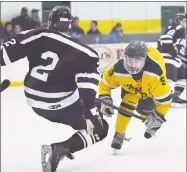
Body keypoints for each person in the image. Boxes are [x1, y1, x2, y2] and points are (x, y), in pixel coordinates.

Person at [0, 6, 108, 172]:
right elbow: (87, 87)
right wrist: (91, 109)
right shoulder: (86, 52)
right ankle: (63, 148)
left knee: (84, 106)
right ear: (70, 26)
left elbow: (3, 55)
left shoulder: (36, 35)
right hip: (62, 104)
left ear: (50, 22)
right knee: (100, 129)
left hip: (35, 102)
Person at [98, 41, 171, 151]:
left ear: (144, 59)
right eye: (129, 60)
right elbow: (104, 83)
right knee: (127, 103)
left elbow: (164, 101)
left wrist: (158, 117)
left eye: (137, 61)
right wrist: (105, 97)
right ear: (125, 58)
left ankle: (148, 116)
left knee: (144, 110)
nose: (132, 65)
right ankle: (119, 134)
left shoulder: (155, 74)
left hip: (150, 91)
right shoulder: (118, 68)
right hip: (132, 89)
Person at [157, 13, 187, 107]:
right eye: (185, 21)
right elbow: (165, 39)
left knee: (183, 76)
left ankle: (174, 96)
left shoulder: (181, 30)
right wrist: (172, 51)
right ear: (179, 21)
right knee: (170, 80)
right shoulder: (178, 27)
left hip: (174, 59)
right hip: (168, 58)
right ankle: (163, 99)